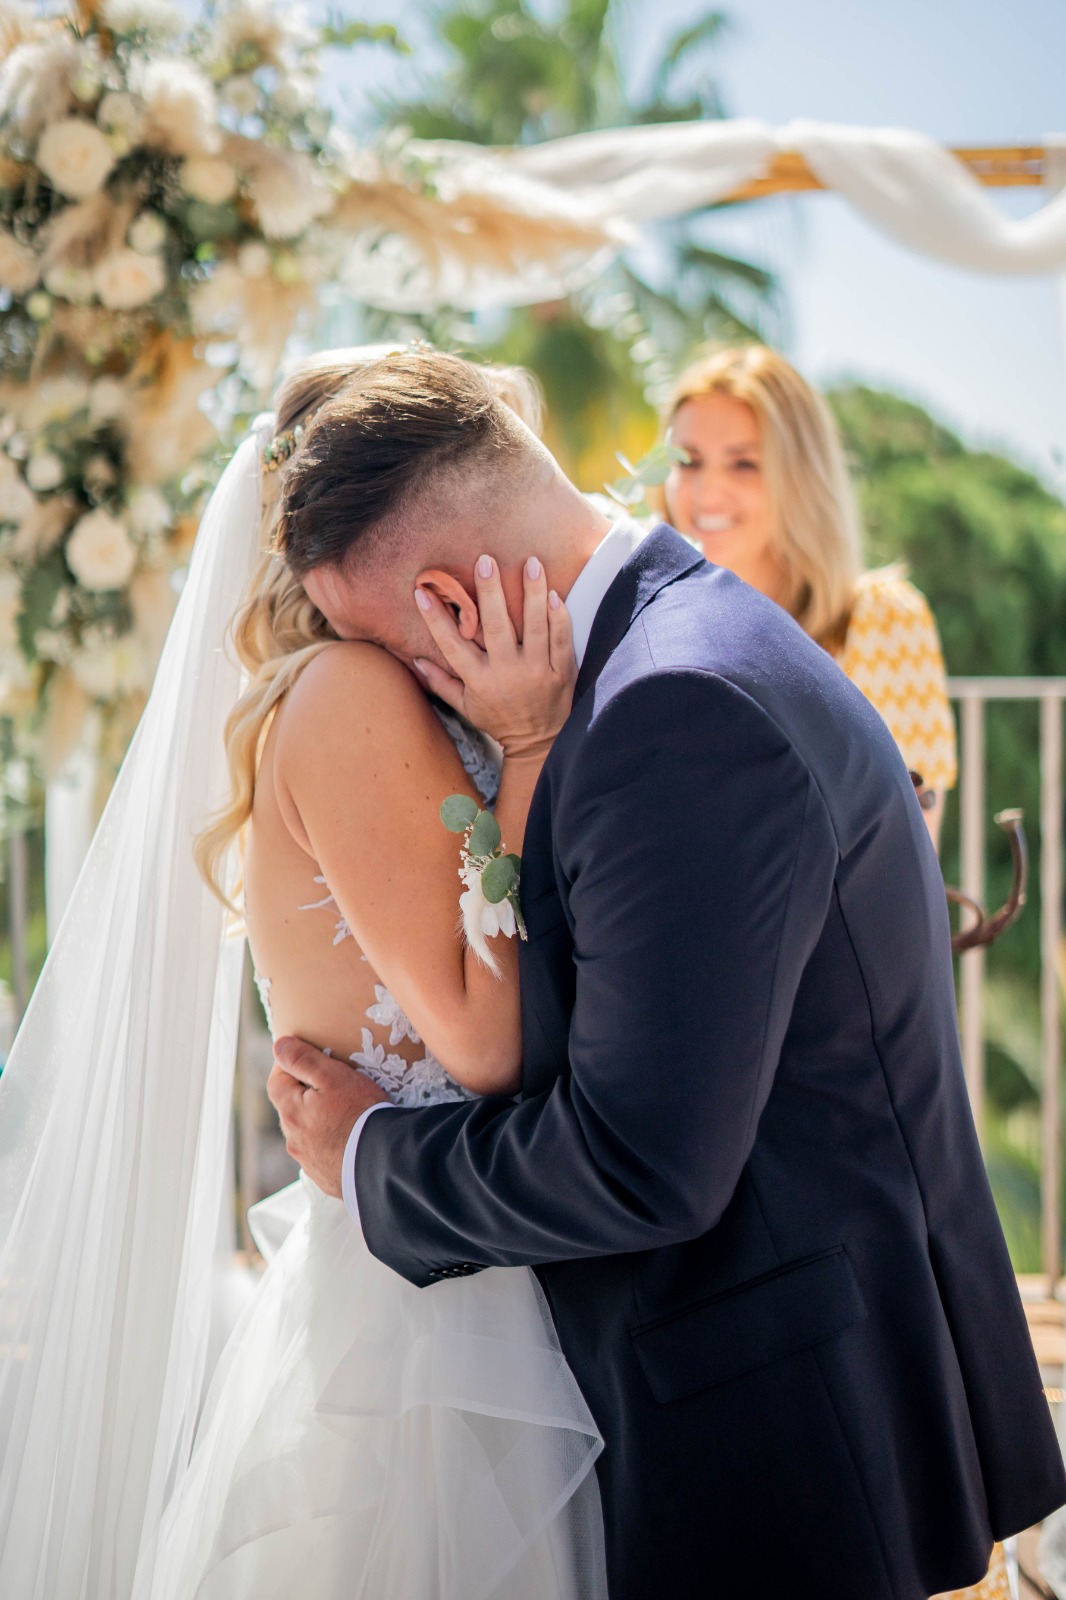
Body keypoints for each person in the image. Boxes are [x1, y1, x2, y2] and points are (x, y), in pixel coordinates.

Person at [271, 348, 1065, 1600]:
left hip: (782, 1425)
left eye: (389, 653)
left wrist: (370, 1157)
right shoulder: (678, 633)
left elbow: (641, 1160)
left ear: (445, 598)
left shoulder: (672, 706)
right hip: (808, 1368)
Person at [0, 347, 608, 1599]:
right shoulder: (346, 695)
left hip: (463, 1263)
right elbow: (484, 1040)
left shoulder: (359, 693)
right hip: (436, 1327)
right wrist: (530, 745)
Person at [662, 344, 957, 849]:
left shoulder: (880, 620)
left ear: (801, 477)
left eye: (743, 464)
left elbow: (905, 852)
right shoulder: (651, 623)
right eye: (688, 461)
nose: (706, 492)